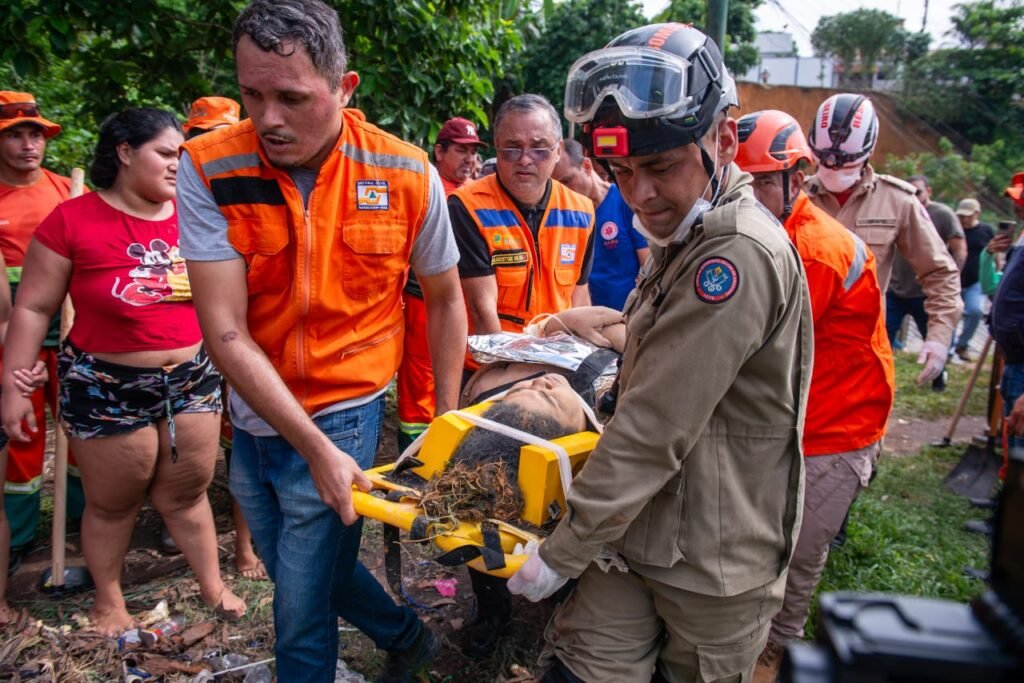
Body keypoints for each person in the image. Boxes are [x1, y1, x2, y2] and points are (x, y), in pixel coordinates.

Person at [508, 24, 811, 682]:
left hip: (711, 562)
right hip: (639, 529)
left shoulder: (734, 254)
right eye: (621, 171)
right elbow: (670, 347)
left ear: (723, 140)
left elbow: (654, 427)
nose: (639, 193)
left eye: (661, 166)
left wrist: (562, 552)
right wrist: (605, 327)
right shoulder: (690, 228)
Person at [176, 1, 468, 681]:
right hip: (253, 412)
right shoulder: (209, 167)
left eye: (290, 96)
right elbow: (223, 330)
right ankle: (405, 634)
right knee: (302, 566)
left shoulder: (405, 173)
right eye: (251, 94)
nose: (267, 117)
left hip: (350, 404)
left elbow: (446, 296)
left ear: (345, 88)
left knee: (299, 605)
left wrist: (447, 418)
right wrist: (312, 449)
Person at [0, 107, 245, 636]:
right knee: (114, 503)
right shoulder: (72, 219)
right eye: (166, 152)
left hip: (191, 378)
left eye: (182, 153)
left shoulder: (196, 213)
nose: (179, 163)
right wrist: (14, 383)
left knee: (187, 492)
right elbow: (33, 308)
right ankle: (109, 601)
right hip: (106, 383)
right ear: (125, 152)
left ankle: (211, 583)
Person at [733, 109, 896, 682]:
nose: (743, 194)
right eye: (738, 180)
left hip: (837, 427)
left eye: (756, 182)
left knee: (796, 551)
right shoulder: (769, 233)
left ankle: (776, 649)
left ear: (794, 178)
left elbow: (745, 344)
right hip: (797, 416)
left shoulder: (812, 253)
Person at [804, 94, 962, 387]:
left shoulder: (897, 202)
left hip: (861, 357)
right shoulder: (793, 198)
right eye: (825, 161)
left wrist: (939, 338)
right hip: (798, 352)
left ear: (869, 150)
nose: (833, 169)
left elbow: (940, 272)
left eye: (846, 162)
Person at [175, 94, 265, 580]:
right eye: (199, 138)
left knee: (245, 443)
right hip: (188, 346)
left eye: (220, 135)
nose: (211, 146)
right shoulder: (179, 196)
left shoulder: (248, 197)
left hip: (241, 343)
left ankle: (247, 546)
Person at [0, 90, 86, 566]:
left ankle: (82, 519)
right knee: (23, 436)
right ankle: (19, 538)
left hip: (73, 330)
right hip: (15, 336)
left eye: (35, 133)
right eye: (15, 135)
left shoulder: (65, 191)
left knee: (80, 427)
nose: (28, 144)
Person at [450, 93, 595, 350]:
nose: (525, 159)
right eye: (512, 148)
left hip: (558, 362)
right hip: (489, 364)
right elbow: (481, 310)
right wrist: (509, 375)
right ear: (496, 145)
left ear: (558, 150)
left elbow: (579, 296)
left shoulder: (581, 211)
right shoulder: (467, 207)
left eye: (539, 149)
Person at [396, 117, 487, 452]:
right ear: (439, 151)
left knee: (454, 376)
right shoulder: (428, 187)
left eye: (474, 152)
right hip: (424, 299)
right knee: (422, 381)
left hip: (463, 300)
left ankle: (447, 442)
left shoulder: (472, 194)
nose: (470, 159)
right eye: (461, 150)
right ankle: (415, 452)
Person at [553, 139, 649, 310]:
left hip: (629, 318)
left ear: (587, 167)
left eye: (567, 181)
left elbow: (648, 265)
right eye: (555, 185)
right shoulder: (562, 216)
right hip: (585, 321)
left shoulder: (625, 202)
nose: (563, 191)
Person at [952, 197, 995, 360]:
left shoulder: (986, 230)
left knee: (976, 311)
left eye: (967, 216)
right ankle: (947, 348)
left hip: (975, 281)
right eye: (961, 216)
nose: (964, 219)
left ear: (977, 214)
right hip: (955, 281)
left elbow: (993, 253)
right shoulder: (955, 230)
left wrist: (996, 271)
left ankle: (962, 345)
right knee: (951, 314)